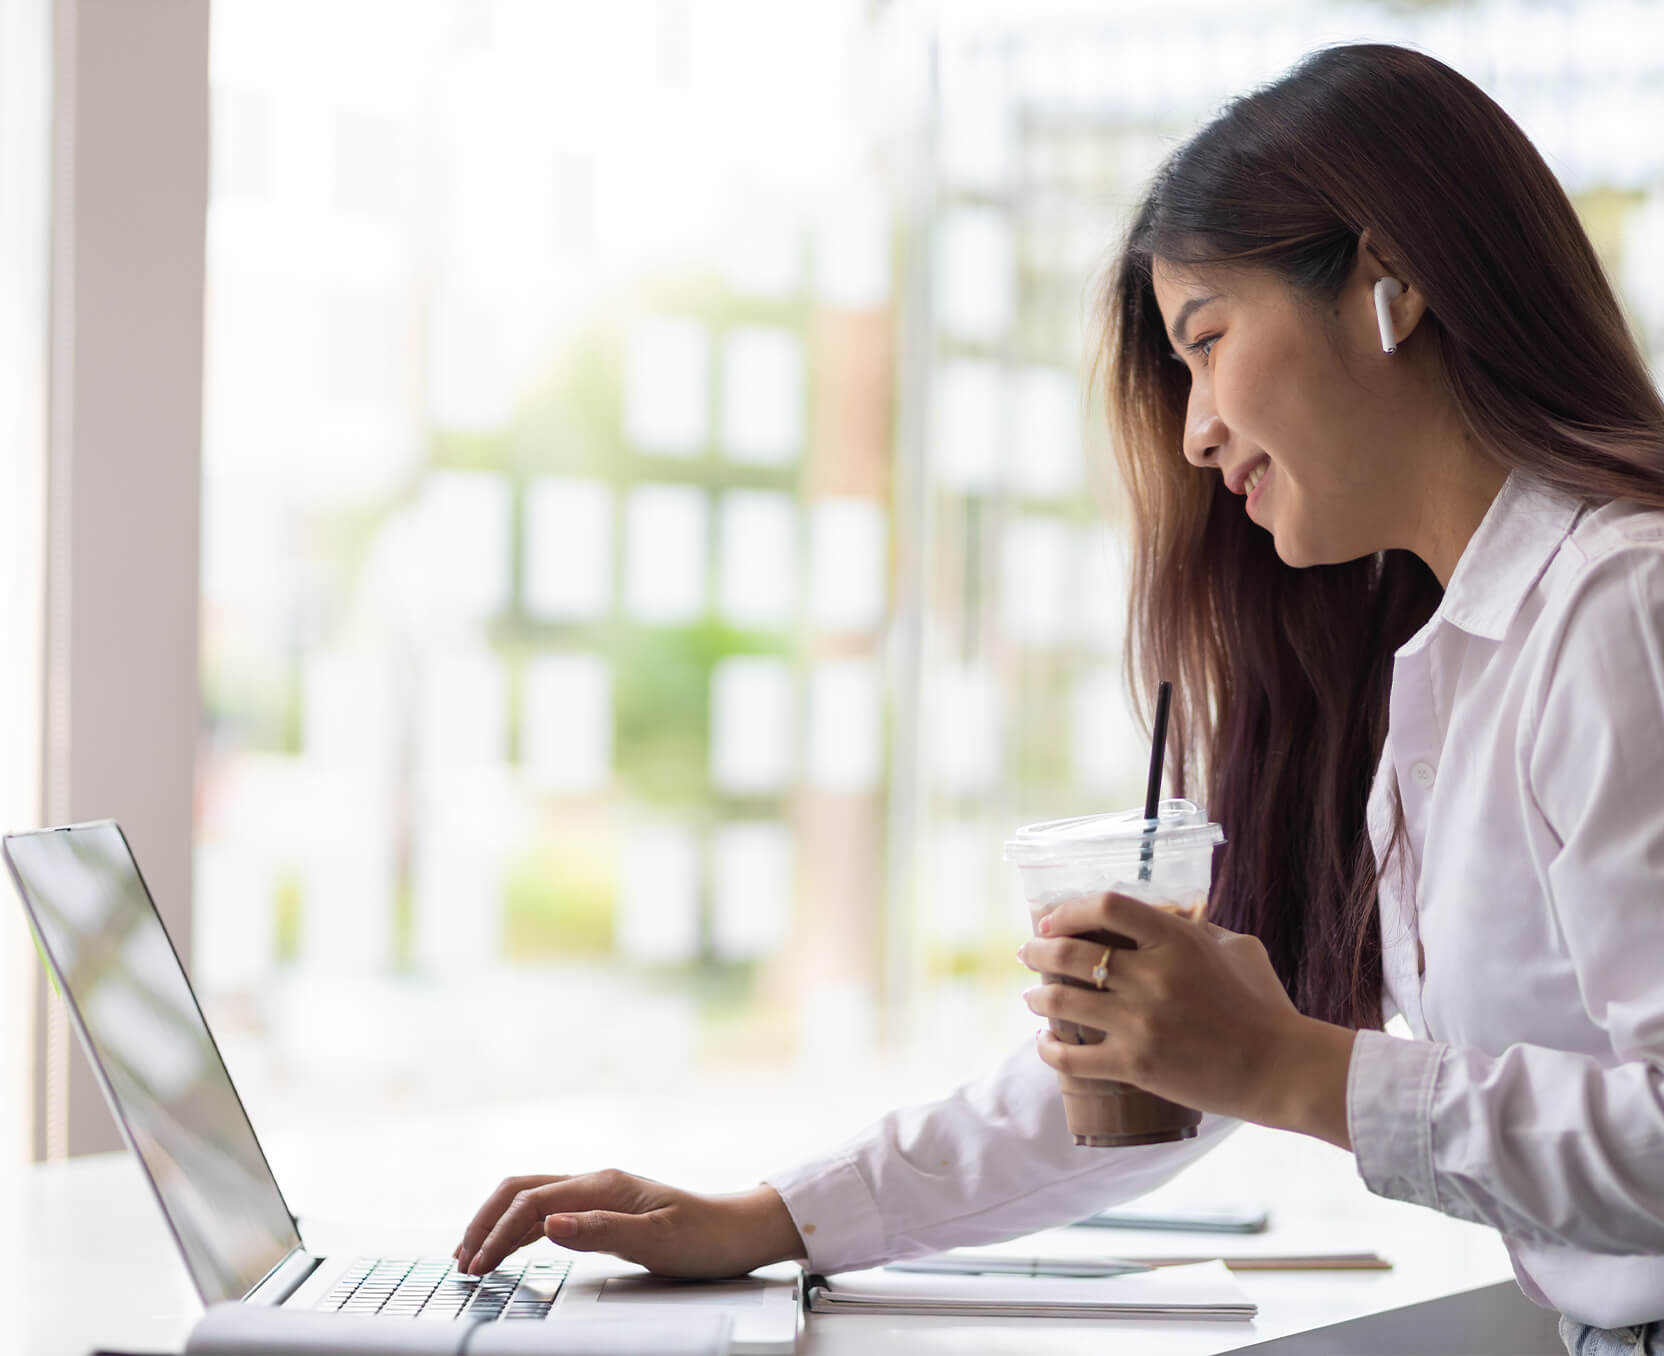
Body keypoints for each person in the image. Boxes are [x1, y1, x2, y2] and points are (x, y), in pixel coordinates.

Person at [453, 43, 1664, 1353]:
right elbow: (1146, 1073)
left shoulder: (1617, 611)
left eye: (1207, 342)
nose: (1197, 434)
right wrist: (770, 1219)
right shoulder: (1446, 664)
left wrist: (1288, 1067)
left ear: (1394, 284)